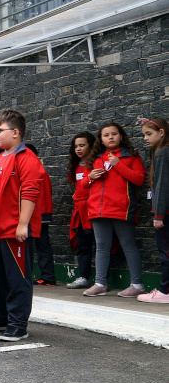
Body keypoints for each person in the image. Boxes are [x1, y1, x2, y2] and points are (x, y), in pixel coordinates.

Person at [0, 109, 44, 342]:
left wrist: (23, 224)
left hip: (15, 230)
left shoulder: (27, 159)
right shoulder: (0, 158)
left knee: (17, 278)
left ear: (15, 132)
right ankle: (1, 316)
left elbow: (31, 193)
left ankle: (18, 324)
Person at [83, 122, 146, 298]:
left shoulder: (131, 156)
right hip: (98, 209)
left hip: (121, 209)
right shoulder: (95, 158)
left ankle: (137, 284)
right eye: (106, 135)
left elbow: (139, 179)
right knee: (101, 247)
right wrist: (90, 177)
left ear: (121, 136)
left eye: (114, 134)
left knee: (128, 245)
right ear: (101, 140)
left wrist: (118, 164)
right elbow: (82, 186)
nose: (110, 137)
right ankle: (100, 284)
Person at [140, 118, 169, 303]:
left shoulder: (162, 153)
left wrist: (158, 214)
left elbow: (162, 185)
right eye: (144, 134)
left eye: (149, 134)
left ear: (162, 133)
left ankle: (165, 292)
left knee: (166, 252)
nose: (145, 138)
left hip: (165, 213)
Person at [66, 132, 96, 289]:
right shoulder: (75, 166)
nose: (78, 149)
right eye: (76, 146)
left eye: (82, 145)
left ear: (91, 145)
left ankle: (101, 280)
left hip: (95, 210)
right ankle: (84, 276)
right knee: (83, 245)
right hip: (80, 211)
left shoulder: (97, 164)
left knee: (101, 245)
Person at [25, 145, 56, 286]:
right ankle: (47, 276)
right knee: (41, 246)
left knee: (37, 246)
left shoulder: (35, 171)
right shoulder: (40, 171)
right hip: (41, 213)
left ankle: (47, 276)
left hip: (37, 214)